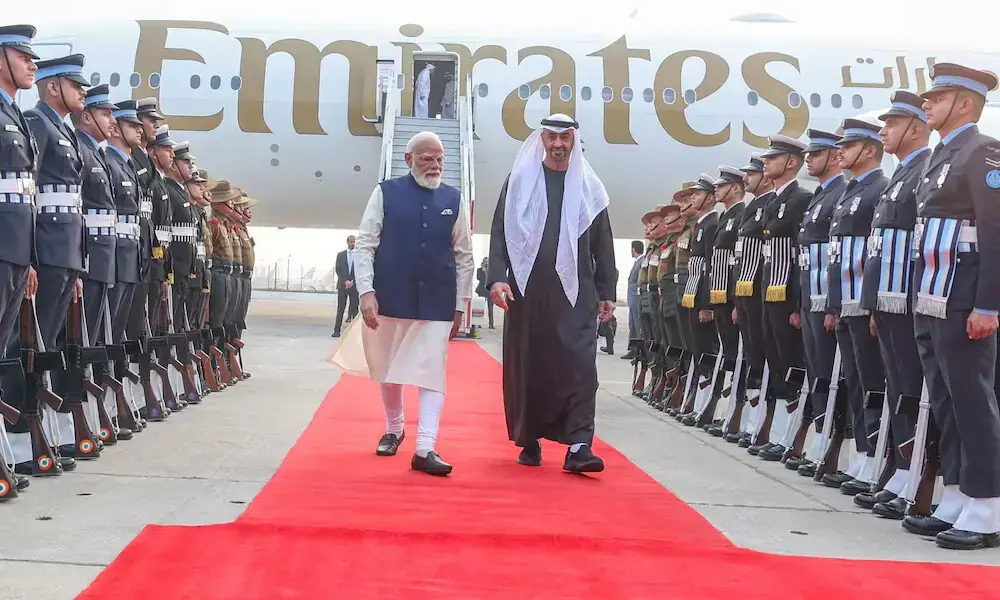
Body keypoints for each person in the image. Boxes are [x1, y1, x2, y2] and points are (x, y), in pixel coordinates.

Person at [330, 130, 474, 477]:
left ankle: (426, 447)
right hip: (391, 296)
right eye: (427, 158)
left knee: (431, 371)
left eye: (439, 159)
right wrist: (366, 292)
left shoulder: (454, 200)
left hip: (437, 301)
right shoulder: (385, 193)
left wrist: (461, 305)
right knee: (389, 369)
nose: (435, 165)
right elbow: (365, 245)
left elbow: (464, 255)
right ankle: (394, 428)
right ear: (409, 160)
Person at [902, 63, 1000, 551]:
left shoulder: (983, 152)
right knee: (945, 399)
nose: (927, 104)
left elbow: (994, 231)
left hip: (964, 299)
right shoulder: (940, 156)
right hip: (932, 294)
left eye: (937, 97)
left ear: (965, 103)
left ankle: (988, 504)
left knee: (973, 401)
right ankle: (960, 492)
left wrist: (988, 304)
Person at [486, 113, 616, 473]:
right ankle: (530, 436)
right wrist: (497, 278)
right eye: (551, 138)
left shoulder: (590, 187)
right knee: (531, 363)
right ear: (541, 140)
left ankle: (579, 446)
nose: (558, 145)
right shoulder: (520, 182)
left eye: (565, 138)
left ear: (574, 141)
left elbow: (602, 243)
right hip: (527, 293)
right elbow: (500, 232)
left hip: (576, 294)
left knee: (579, 368)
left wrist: (607, 290)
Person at [10, 53, 91, 470]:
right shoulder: (38, 123)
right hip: (37, 252)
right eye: (75, 85)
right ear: (52, 86)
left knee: (45, 352)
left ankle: (39, 442)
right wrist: (34, 261)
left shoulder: (59, 128)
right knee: (24, 352)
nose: (82, 92)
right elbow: (35, 199)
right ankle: (22, 447)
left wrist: (76, 262)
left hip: (62, 255)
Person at [859, 92, 931, 517]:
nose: (883, 130)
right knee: (898, 389)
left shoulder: (921, 171)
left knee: (911, 390)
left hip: (908, 300)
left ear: (915, 129)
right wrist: (873, 304)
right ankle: (903, 468)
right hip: (887, 301)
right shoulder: (900, 176)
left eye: (892, 123)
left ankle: (916, 470)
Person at [825, 119, 889, 494]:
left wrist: (871, 305)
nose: (841, 153)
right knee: (857, 382)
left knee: (872, 384)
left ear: (868, 150)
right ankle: (864, 457)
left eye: (848, 147)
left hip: (864, 304)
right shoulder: (852, 191)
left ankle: (877, 460)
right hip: (845, 303)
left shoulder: (878, 189)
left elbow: (876, 254)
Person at [790, 129, 846, 477]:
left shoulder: (839, 193)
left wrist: (831, 306)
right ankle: (822, 443)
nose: (808, 159)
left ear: (835, 157)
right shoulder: (820, 196)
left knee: (830, 375)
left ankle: (835, 446)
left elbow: (837, 258)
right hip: (810, 296)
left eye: (817, 153)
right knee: (818, 373)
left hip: (826, 298)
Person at [0, 24, 40, 495]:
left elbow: (26, 197)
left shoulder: (17, 117)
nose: (31, 63)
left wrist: (29, 259)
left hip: (14, 253)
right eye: (22, 55)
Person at [756, 135, 811, 458]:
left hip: (786, 295)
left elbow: (799, 255)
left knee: (790, 364)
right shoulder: (774, 201)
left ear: (791, 162)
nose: (766, 162)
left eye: (772, 157)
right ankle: (779, 434)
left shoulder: (800, 199)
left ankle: (793, 437)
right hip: (767, 293)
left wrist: (797, 303)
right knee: (775, 362)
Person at [729, 154, 774, 446]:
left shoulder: (769, 205)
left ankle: (765, 424)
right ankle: (751, 422)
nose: (747, 178)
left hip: (762, 293)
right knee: (753, 360)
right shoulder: (752, 209)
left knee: (765, 360)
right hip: (745, 294)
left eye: (752, 173)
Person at [71, 84, 118, 337]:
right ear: (87, 117)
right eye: (106, 114)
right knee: (77, 335)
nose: (113, 121)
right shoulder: (80, 149)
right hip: (87, 258)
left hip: (100, 258)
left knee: (92, 334)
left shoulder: (97, 153)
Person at [331, 235, 358, 338]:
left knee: (354, 309)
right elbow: (338, 269)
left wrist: (352, 281)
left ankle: (355, 333)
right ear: (347, 242)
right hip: (343, 286)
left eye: (354, 242)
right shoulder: (341, 255)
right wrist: (345, 281)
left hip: (354, 286)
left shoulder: (359, 255)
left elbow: (360, 270)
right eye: (351, 241)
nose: (353, 243)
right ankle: (336, 330)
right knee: (341, 308)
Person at [623, 240, 645, 360]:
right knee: (632, 325)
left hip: (637, 300)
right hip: (632, 300)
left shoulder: (641, 262)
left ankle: (638, 351)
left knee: (637, 326)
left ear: (633, 250)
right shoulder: (637, 262)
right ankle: (632, 349)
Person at [475, 257, 494, 329]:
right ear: (482, 263)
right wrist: (483, 270)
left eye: (488, 262)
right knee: (480, 308)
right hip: (481, 290)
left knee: (490, 308)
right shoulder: (479, 270)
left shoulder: (492, 271)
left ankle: (491, 324)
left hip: (489, 291)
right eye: (485, 262)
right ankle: (479, 323)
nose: (486, 263)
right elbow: (479, 278)